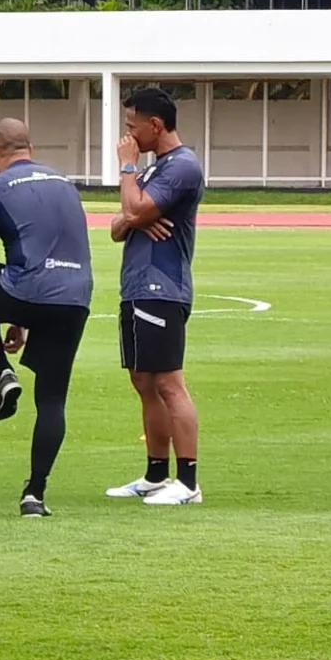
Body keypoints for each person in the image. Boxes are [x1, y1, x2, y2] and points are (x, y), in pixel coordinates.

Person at [0, 118, 92, 517]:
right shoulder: (66, 184)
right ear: (29, 149)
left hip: (24, 291)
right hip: (75, 295)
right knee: (52, 401)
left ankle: (2, 372)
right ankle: (34, 494)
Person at [106, 87, 206, 506]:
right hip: (136, 287)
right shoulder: (152, 171)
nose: (127, 136)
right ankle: (155, 474)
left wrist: (128, 172)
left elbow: (131, 210)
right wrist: (136, 217)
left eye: (132, 127)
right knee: (143, 380)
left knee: (168, 382)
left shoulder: (181, 167)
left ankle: (188, 483)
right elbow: (116, 225)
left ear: (156, 125)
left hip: (162, 287)